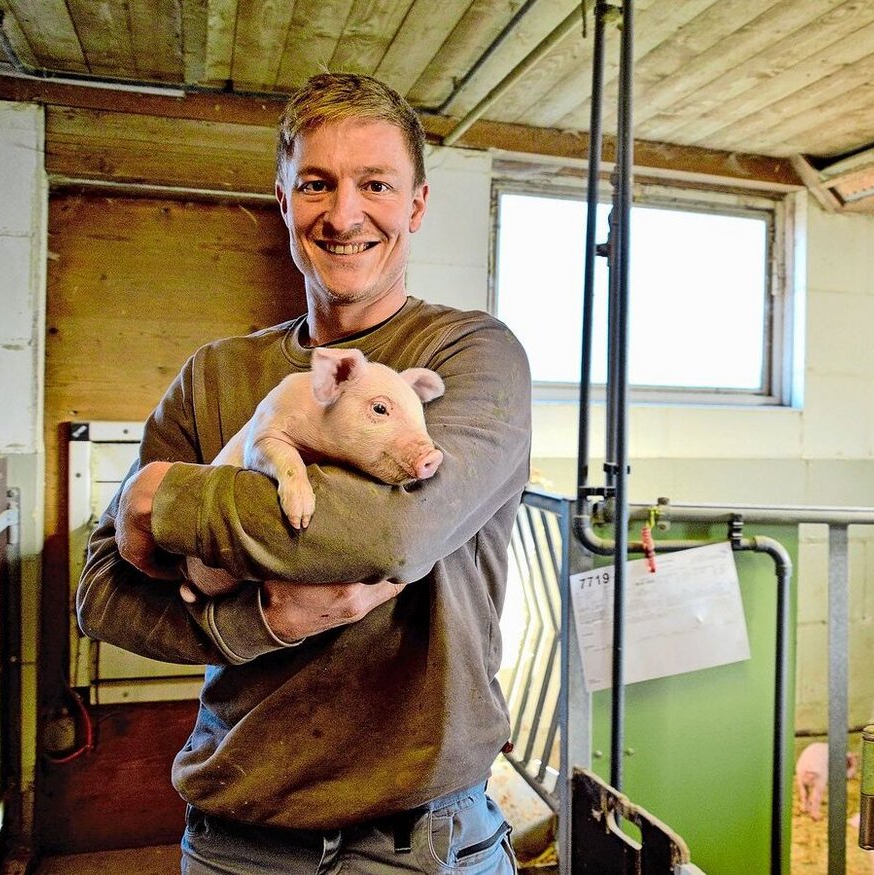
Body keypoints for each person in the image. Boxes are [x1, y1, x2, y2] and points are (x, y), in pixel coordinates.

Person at [75, 72, 532, 874]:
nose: (345, 213)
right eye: (316, 184)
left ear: (416, 205)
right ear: (284, 202)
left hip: (421, 842)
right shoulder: (214, 375)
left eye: (376, 184)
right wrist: (264, 622)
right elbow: (102, 593)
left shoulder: (469, 355)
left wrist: (163, 498)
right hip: (237, 838)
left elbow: (392, 530)